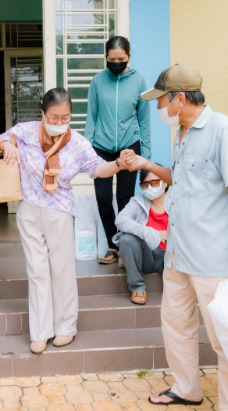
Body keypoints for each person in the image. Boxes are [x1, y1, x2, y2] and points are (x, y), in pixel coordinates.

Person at [122, 64, 228, 410]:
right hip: (178, 255)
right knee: (175, 325)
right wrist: (145, 164)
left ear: (180, 99)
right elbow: (182, 178)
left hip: (214, 258)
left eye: (162, 102)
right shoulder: (182, 133)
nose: (159, 109)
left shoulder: (223, 130)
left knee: (225, 339)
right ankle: (187, 388)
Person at [0, 88, 127, 354]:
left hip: (60, 212)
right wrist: (7, 145)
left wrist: (119, 164)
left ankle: (65, 327)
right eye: (53, 117)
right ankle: (40, 332)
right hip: (29, 210)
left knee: (63, 270)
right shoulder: (27, 131)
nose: (59, 123)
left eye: (65, 117)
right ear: (42, 114)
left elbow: (98, 169)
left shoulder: (76, 143)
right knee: (37, 271)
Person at [85, 36, 151, 266]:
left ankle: (125, 246)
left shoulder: (139, 81)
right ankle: (112, 245)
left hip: (129, 145)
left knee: (125, 198)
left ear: (129, 57)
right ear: (106, 58)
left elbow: (144, 119)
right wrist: (87, 150)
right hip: (101, 148)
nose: (116, 63)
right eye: (111, 59)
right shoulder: (97, 81)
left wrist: (147, 154)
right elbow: (91, 117)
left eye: (121, 59)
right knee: (103, 197)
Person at [113, 168, 169, 305]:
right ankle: (137, 287)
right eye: (145, 184)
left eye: (155, 182)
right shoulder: (138, 201)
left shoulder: (177, 200)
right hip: (147, 256)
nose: (150, 187)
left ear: (165, 183)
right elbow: (120, 220)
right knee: (126, 238)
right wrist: (153, 233)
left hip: (170, 257)